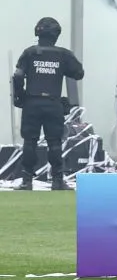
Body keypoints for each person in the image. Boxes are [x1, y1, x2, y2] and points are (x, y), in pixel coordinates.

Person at [13, 18, 84, 191]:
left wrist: (19, 97)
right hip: (53, 103)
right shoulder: (63, 54)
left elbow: (18, 76)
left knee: (30, 141)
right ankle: (57, 180)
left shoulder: (29, 53)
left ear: (37, 32)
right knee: (54, 142)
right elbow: (79, 73)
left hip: (32, 102)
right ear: (56, 34)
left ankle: (27, 181)